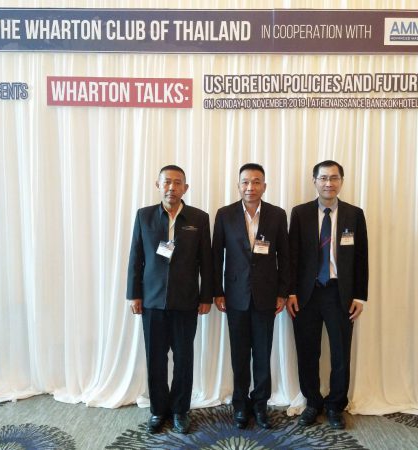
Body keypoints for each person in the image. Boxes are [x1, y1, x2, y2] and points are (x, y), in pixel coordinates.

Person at [126, 165, 213, 435]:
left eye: (177, 183)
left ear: (185, 188)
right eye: (167, 182)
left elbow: (206, 261)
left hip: (186, 301)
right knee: (156, 358)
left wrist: (206, 296)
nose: (172, 188)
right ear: (158, 184)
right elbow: (136, 257)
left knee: (184, 359)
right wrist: (134, 294)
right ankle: (158, 410)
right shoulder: (144, 216)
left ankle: (180, 411)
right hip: (152, 301)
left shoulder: (199, 218)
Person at [287, 160, 368, 430]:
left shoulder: (354, 214)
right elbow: (292, 257)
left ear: (341, 181)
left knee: (340, 353)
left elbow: (361, 258)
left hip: (339, 294)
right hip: (307, 295)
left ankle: (335, 405)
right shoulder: (300, 213)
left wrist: (360, 296)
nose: (328, 183)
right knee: (307, 351)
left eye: (334, 178)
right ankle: (312, 402)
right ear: (315, 181)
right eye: (323, 178)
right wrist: (291, 292)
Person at [212, 163, 290, 430]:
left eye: (256, 182)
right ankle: (240, 405)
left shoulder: (277, 215)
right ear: (238, 186)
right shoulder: (225, 214)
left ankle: (260, 404)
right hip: (235, 296)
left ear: (264, 186)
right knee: (239, 354)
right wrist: (217, 291)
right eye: (245, 182)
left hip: (266, 296)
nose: (250, 187)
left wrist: (282, 292)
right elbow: (216, 255)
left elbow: (285, 257)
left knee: (263, 354)